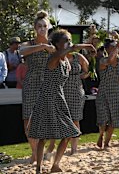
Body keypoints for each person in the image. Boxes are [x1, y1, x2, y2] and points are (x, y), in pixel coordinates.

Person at [28, 29, 92, 174]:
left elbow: (73, 55)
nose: (69, 43)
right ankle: (38, 168)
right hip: (47, 98)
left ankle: (55, 164)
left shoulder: (64, 60)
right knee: (42, 135)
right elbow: (72, 49)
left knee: (69, 132)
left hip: (59, 97)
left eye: (69, 40)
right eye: (65, 41)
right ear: (57, 43)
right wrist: (87, 46)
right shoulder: (54, 56)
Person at [19, 11, 56, 164]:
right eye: (39, 26)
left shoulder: (54, 44)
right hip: (31, 84)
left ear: (48, 27)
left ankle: (48, 149)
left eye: (44, 26)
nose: (42, 29)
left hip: (49, 84)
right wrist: (42, 46)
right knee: (28, 118)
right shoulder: (30, 44)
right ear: (35, 28)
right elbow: (21, 51)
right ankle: (34, 152)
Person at [96, 37, 119, 149]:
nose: (116, 48)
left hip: (115, 91)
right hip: (104, 90)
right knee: (103, 117)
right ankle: (101, 135)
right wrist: (118, 45)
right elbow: (110, 60)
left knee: (114, 119)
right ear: (108, 49)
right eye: (113, 47)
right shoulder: (103, 61)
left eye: (116, 47)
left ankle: (107, 142)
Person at [63, 49, 90, 155]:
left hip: (76, 90)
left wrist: (78, 76)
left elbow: (88, 71)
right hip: (62, 90)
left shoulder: (78, 57)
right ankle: (61, 147)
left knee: (75, 119)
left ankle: (74, 149)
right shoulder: (58, 56)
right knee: (63, 120)